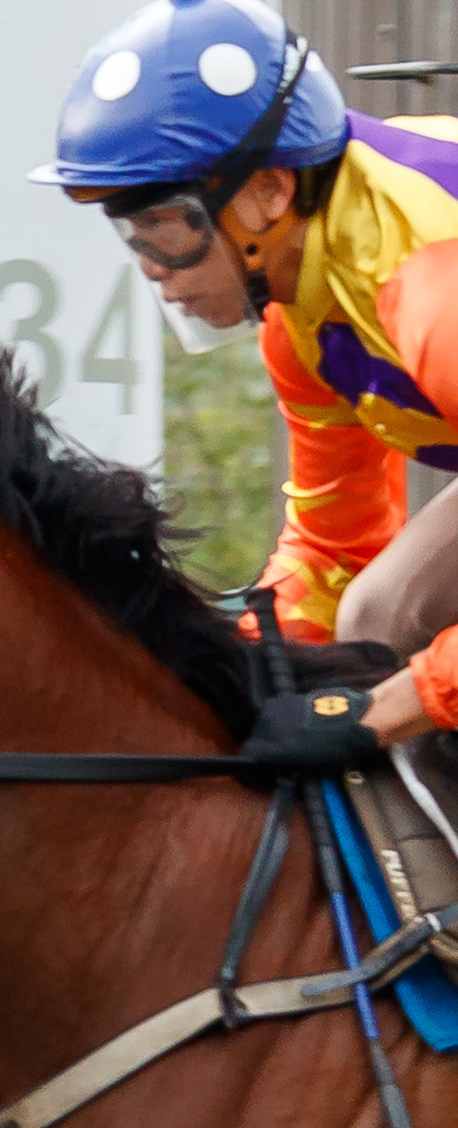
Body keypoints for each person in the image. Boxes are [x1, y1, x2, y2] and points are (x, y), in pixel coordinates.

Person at [43, 0, 458, 747]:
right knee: (371, 616)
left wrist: (398, 705)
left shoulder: (427, 288)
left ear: (268, 191)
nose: (150, 268)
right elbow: (335, 544)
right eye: (131, 233)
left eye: (167, 225)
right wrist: (228, 665)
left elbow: (402, 699)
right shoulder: (298, 319)